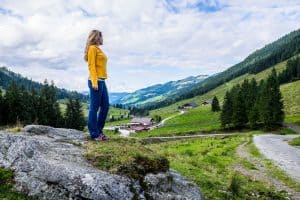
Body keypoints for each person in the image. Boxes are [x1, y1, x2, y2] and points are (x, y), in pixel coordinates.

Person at [84, 29, 109, 141]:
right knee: (94, 108)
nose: (102, 38)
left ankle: (99, 131)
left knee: (105, 106)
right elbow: (91, 66)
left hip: (102, 81)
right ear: (95, 37)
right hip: (96, 81)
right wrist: (94, 82)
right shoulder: (92, 49)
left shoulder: (98, 49)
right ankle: (94, 134)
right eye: (100, 36)